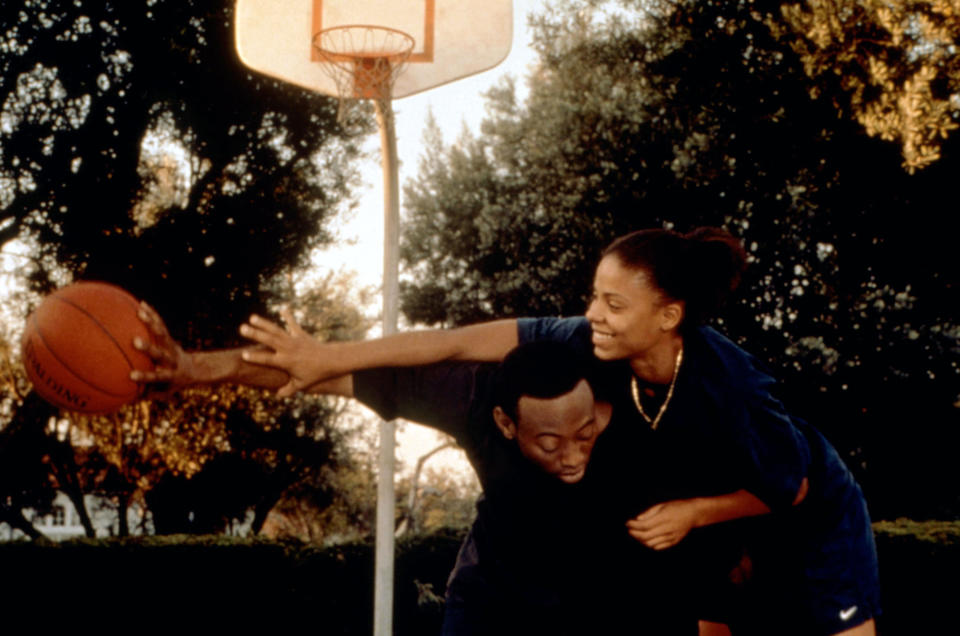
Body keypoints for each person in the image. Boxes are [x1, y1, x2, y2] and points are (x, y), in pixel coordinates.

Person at [235, 227, 881, 636]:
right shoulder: (589, 342)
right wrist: (331, 356)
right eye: (595, 295)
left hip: (807, 510)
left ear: (669, 315)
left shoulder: (732, 387)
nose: (593, 313)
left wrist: (692, 512)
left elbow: (794, 487)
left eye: (613, 304)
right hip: (718, 514)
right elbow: (458, 344)